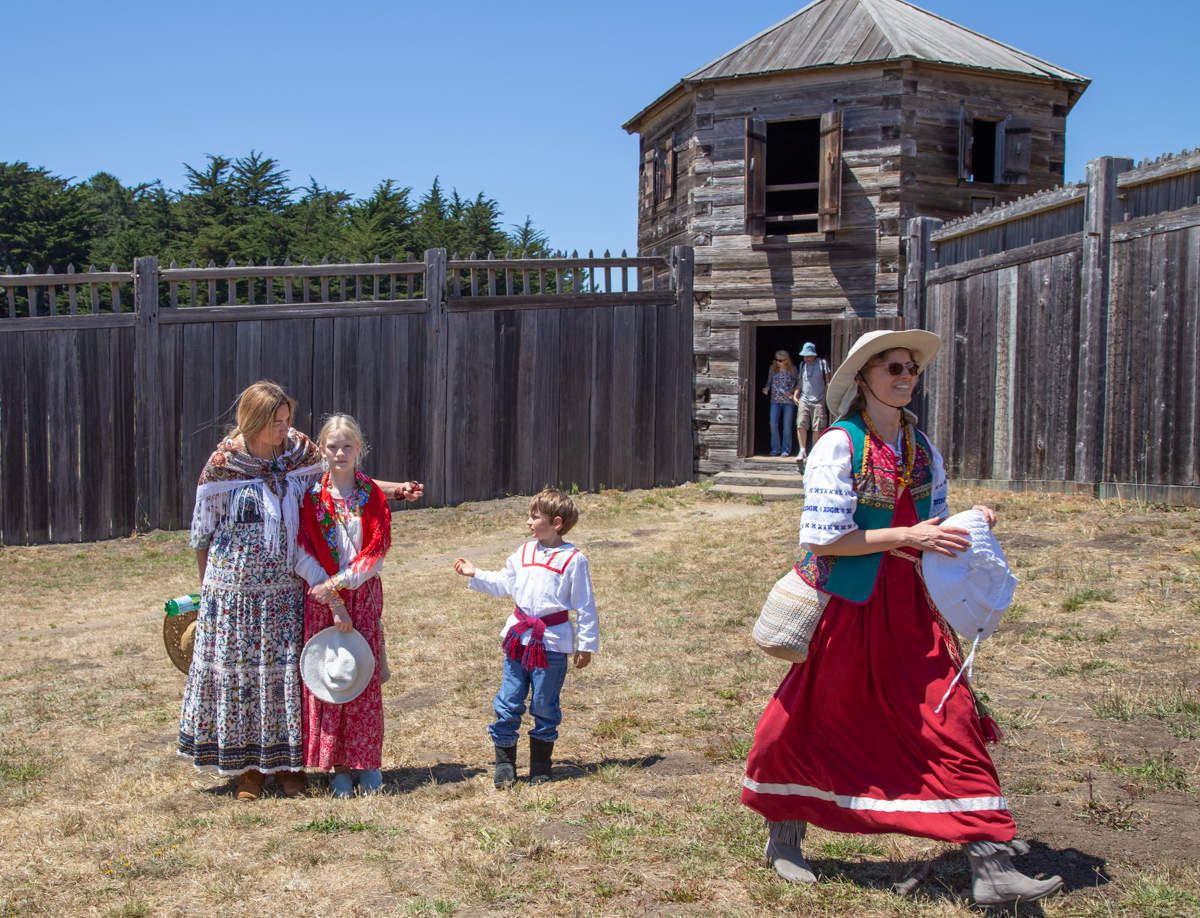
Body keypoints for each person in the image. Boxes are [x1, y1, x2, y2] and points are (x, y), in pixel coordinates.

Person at [741, 331, 1062, 907]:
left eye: (911, 367)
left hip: (910, 608)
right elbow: (825, 539)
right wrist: (908, 535)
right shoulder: (839, 444)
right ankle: (784, 836)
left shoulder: (919, 446)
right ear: (864, 377)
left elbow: (936, 522)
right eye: (893, 366)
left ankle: (991, 865)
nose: (906, 375)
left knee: (951, 716)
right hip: (849, 607)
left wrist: (971, 519)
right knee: (817, 717)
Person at [179, 381, 422, 801]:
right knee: (244, 679)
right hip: (235, 592)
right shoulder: (225, 462)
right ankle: (249, 771)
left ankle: (289, 765)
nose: (284, 430)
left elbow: (344, 477)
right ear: (253, 421)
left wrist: (392, 489)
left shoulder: (297, 450)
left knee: (287, 679)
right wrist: (208, 593)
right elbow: (202, 535)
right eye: (275, 423)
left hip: (288, 589)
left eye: (287, 420)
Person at [452, 489, 598, 788]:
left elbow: (585, 605)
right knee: (508, 701)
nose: (528, 522)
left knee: (544, 704)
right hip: (518, 642)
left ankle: (541, 765)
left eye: (534, 517)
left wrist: (585, 645)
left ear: (556, 523)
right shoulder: (524, 552)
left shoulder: (573, 560)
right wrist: (474, 572)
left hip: (552, 646)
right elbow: (505, 582)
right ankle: (505, 763)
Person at [295, 415, 391, 798]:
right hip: (323, 600)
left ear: (359, 449)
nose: (339, 453)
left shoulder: (372, 495)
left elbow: (376, 552)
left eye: (347, 446)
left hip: (361, 594)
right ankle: (338, 767)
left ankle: (367, 763)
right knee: (331, 678)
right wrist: (332, 595)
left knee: (361, 678)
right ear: (322, 449)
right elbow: (301, 551)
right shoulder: (312, 497)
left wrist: (342, 583)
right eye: (332, 446)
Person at [792, 341, 830, 468]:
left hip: (818, 399)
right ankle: (802, 450)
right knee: (801, 424)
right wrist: (796, 394)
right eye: (805, 356)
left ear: (814, 355)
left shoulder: (822, 363)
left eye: (808, 355)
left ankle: (814, 451)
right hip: (804, 398)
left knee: (817, 427)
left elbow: (828, 382)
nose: (806, 358)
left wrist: (824, 400)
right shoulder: (803, 365)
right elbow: (800, 382)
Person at [761, 350, 800, 457]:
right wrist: (766, 388)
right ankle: (775, 448)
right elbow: (769, 382)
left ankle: (786, 450)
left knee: (786, 426)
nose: (778, 362)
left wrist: (792, 392)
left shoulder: (793, 369)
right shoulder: (773, 369)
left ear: (787, 360)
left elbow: (798, 383)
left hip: (788, 402)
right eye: (776, 360)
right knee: (773, 424)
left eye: (781, 360)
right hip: (775, 401)